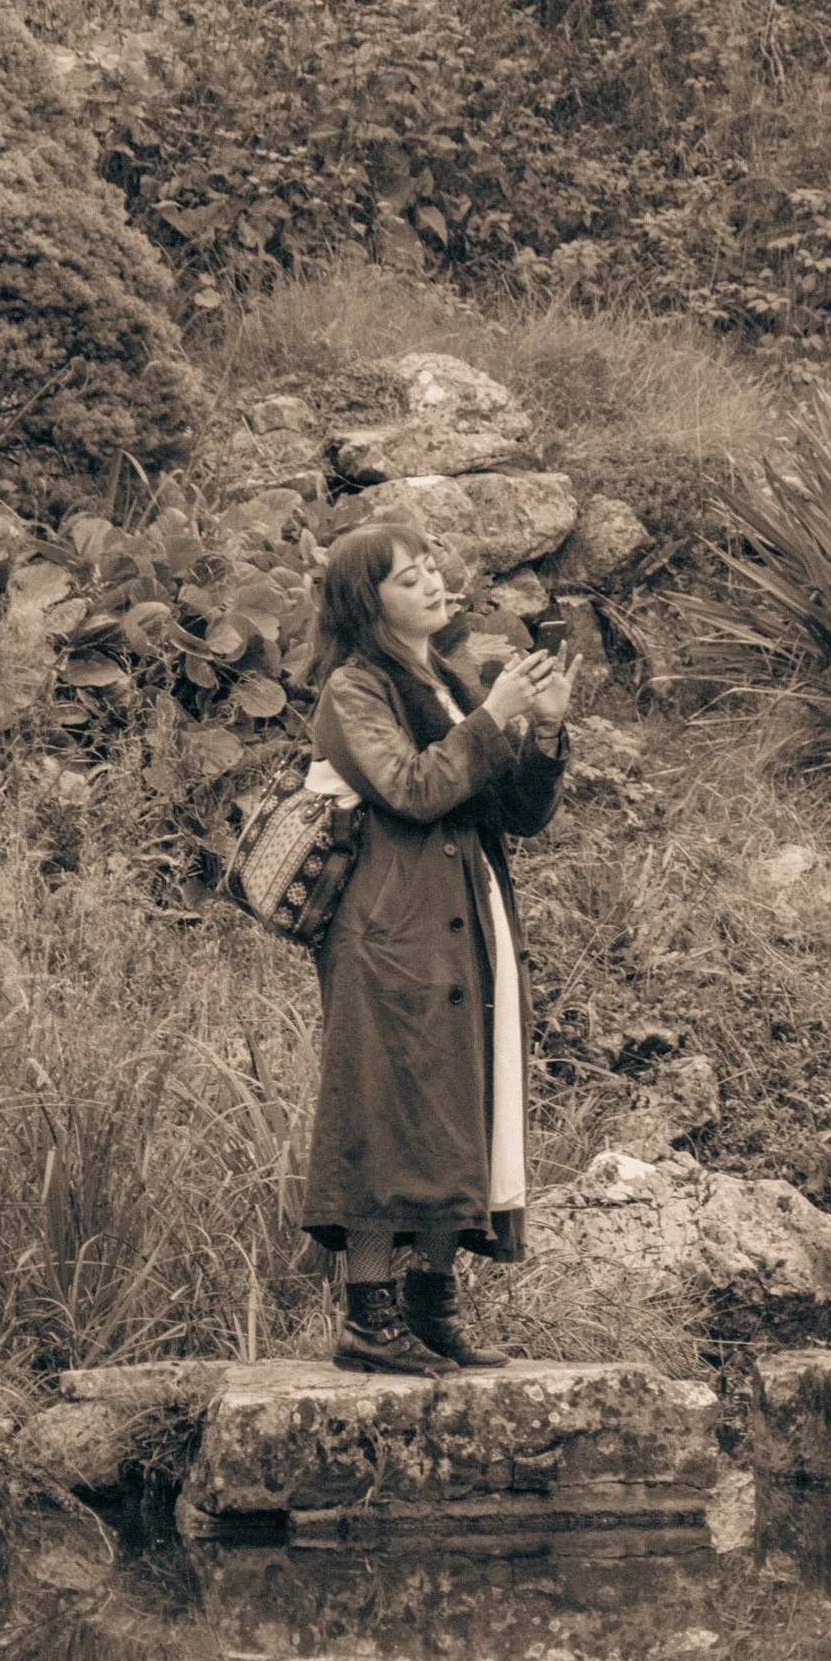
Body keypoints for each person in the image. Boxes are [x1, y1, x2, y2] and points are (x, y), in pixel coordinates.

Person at [299, 521, 579, 1375]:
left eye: (431, 568)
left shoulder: (448, 682)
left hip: (464, 914)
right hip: (389, 928)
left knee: (458, 1100)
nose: (430, 583)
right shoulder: (353, 688)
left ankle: (431, 1307)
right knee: (386, 1102)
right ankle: (367, 1318)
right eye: (405, 575)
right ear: (363, 599)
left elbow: (515, 815)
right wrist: (493, 716)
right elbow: (412, 790)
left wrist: (544, 734)